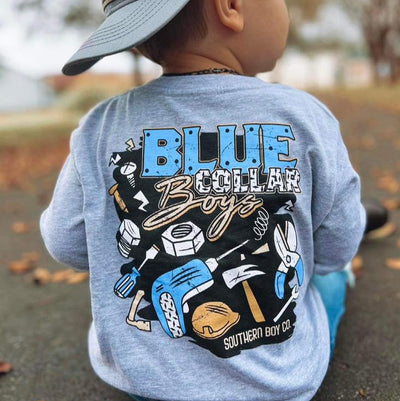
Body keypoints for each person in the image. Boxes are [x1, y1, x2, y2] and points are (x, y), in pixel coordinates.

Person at [40, 1, 367, 400]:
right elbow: (336, 247)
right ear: (230, 6)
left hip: (148, 385)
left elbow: (67, 243)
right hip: (280, 385)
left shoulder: (100, 125)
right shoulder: (305, 116)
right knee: (332, 275)